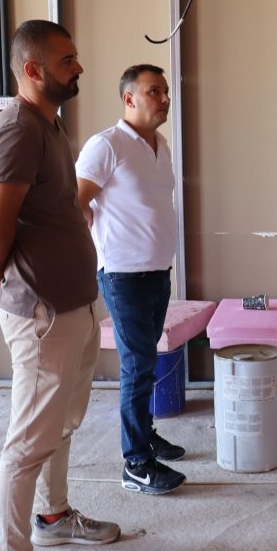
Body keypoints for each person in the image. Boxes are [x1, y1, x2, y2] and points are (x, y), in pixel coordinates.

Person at [0, 20, 120, 551]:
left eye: (75, 57)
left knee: (60, 424)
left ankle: (53, 518)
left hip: (73, 302)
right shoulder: (17, 131)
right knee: (29, 439)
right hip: (42, 312)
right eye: (66, 60)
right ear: (32, 70)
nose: (78, 67)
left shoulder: (49, 123)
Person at [75, 64, 185, 495]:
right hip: (123, 276)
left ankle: (146, 436)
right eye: (154, 91)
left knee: (145, 362)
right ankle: (136, 463)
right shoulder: (107, 145)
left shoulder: (160, 145)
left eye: (165, 91)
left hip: (157, 271)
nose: (164, 99)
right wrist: (102, 239)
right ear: (129, 99)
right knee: (137, 367)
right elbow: (76, 201)